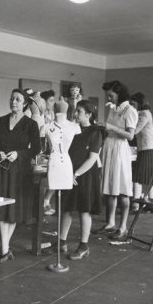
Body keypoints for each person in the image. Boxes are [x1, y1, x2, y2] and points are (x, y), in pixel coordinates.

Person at [0, 88, 40, 262]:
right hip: (3, 169)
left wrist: (19, 154)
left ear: (25, 103)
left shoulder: (30, 124)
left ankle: (4, 248)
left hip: (20, 171)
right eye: (12, 99)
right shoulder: (0, 121)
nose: (14, 102)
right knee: (3, 208)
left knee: (13, 211)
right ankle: (5, 248)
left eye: (18, 99)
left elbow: (36, 148)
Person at [55, 100, 104, 259]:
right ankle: (61, 242)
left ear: (89, 115)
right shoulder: (72, 128)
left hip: (86, 174)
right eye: (75, 111)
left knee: (84, 209)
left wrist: (75, 174)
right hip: (71, 173)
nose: (75, 114)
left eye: (79, 112)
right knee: (67, 208)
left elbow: (92, 159)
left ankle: (84, 246)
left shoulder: (95, 132)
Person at [93, 81, 138, 241]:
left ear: (120, 94)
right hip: (109, 147)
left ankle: (123, 226)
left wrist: (112, 128)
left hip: (120, 150)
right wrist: (103, 127)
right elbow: (110, 128)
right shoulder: (113, 108)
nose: (108, 97)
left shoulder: (130, 110)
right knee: (110, 187)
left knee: (122, 189)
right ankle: (110, 223)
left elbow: (131, 136)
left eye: (111, 95)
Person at [130, 92, 153, 212]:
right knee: (148, 177)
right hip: (148, 148)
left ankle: (136, 205)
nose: (132, 106)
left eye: (133, 103)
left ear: (139, 102)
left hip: (148, 148)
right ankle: (150, 204)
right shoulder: (143, 113)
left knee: (138, 177)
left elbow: (134, 131)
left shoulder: (144, 114)